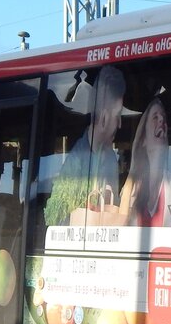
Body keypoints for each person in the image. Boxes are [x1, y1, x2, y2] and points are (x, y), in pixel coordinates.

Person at [45, 65, 126, 225]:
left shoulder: (110, 158)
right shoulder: (75, 162)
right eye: (117, 116)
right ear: (103, 116)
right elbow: (55, 220)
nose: (120, 124)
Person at [120, 95, 171, 228]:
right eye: (155, 117)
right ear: (143, 139)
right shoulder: (129, 189)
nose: (161, 120)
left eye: (163, 118)